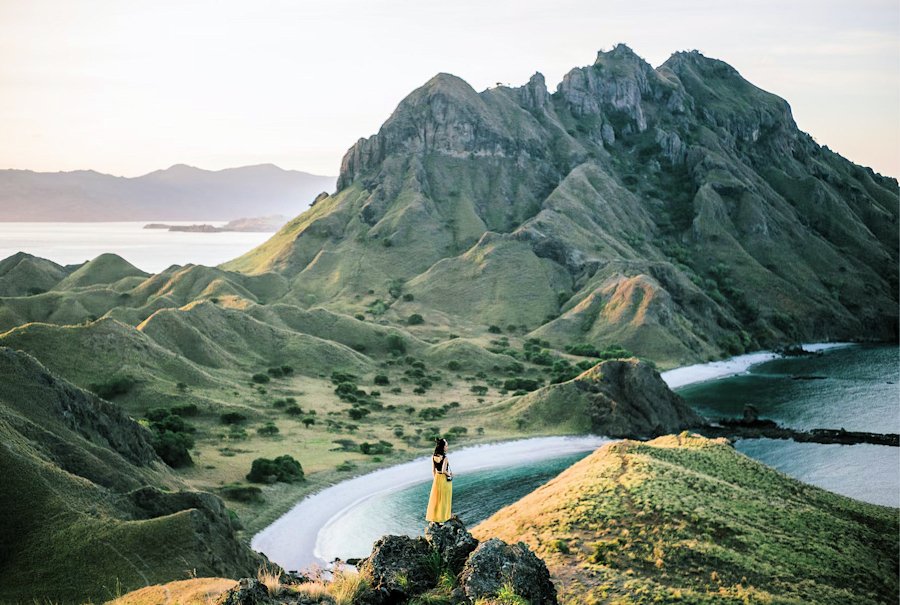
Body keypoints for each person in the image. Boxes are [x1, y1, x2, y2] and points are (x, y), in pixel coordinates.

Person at [425, 437, 453, 523]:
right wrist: (450, 474)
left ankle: (435, 517)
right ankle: (444, 516)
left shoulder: (434, 456)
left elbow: (433, 470)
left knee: (436, 499)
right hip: (444, 479)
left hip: (437, 478)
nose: (447, 447)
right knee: (445, 498)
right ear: (443, 447)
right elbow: (444, 470)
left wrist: (435, 480)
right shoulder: (445, 457)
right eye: (446, 446)